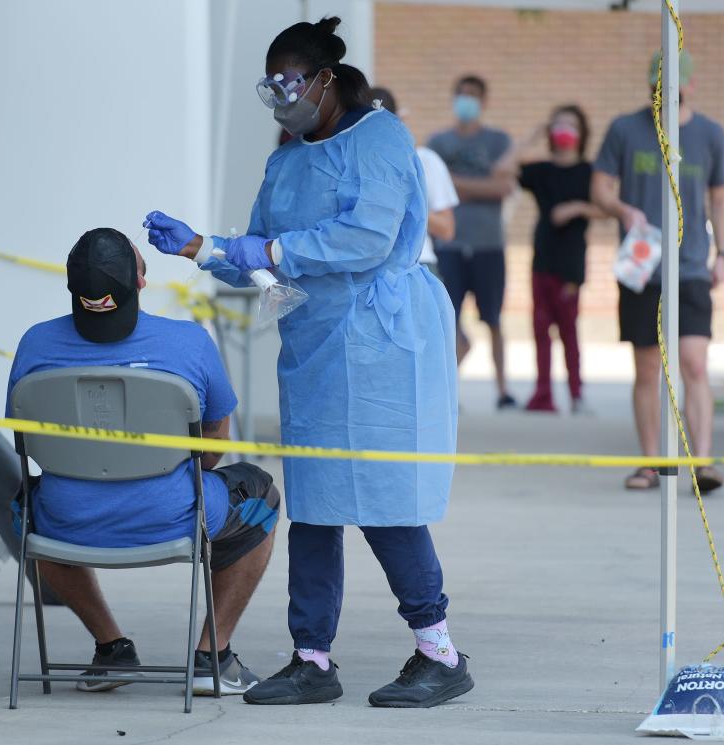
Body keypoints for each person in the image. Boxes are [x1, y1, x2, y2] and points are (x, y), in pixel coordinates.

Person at [144, 17, 473, 709]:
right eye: (271, 89)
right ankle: (311, 657)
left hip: (383, 341)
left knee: (385, 502)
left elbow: (364, 236)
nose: (282, 100)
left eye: (291, 84)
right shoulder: (286, 158)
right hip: (317, 347)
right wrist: (205, 248)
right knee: (317, 507)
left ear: (326, 79)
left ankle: (438, 650)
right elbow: (256, 252)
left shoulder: (379, 136)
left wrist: (265, 252)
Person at [5, 228, 280, 694]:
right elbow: (213, 451)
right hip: (174, 517)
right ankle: (214, 658)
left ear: (71, 288)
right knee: (261, 495)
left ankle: (112, 649)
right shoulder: (189, 343)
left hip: (64, 522)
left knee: (23, 508)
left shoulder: (34, 344)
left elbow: (24, 444)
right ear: (141, 282)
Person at [591, 50, 724, 492]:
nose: (663, 92)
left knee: (694, 363)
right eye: (657, 83)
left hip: (690, 266)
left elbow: (721, 197)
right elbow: (599, 187)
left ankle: (702, 462)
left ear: (689, 85)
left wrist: (723, 253)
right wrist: (622, 208)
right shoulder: (625, 130)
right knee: (648, 367)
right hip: (642, 265)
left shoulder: (710, 134)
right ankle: (650, 462)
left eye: (671, 84)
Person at [500, 105, 605, 414]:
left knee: (569, 331)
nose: (564, 130)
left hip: (570, 263)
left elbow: (607, 209)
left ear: (582, 133)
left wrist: (576, 208)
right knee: (540, 329)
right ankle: (542, 394)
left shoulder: (589, 171)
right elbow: (503, 170)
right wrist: (532, 136)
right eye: (558, 125)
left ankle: (576, 394)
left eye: (571, 125)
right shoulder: (541, 170)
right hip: (542, 258)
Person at [428, 75, 516, 409]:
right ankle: (447, 390)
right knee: (447, 319)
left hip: (488, 244)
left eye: (473, 96)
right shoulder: (438, 142)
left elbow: (503, 188)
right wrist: (481, 184)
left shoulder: (498, 141)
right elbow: (430, 189)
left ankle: (503, 389)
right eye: (462, 95)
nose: (467, 101)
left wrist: (455, 184)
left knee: (493, 318)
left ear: (484, 101)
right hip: (448, 245)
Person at [369, 86, 459, 273]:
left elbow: (446, 229)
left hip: (416, 263)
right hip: (367, 266)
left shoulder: (424, 160)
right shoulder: (351, 163)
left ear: (398, 120)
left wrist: (404, 203)